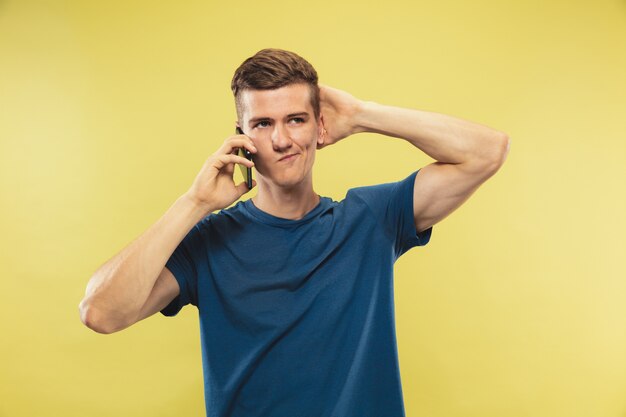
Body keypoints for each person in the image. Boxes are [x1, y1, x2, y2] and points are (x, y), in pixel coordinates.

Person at [79, 48, 510, 416]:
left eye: (297, 120)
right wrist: (195, 203)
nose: (282, 139)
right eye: (263, 124)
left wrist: (361, 115)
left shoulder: (372, 218)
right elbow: (101, 313)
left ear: (319, 127)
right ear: (241, 139)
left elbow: (486, 151)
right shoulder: (209, 240)